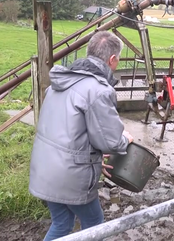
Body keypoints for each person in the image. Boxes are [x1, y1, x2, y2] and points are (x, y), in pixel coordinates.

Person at [28, 31, 134, 241]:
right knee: (94, 224)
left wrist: (93, 160)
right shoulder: (98, 90)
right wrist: (126, 139)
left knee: (62, 223)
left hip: (44, 169)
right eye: (118, 59)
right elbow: (110, 141)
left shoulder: (59, 83)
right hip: (70, 175)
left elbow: (68, 133)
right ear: (112, 59)